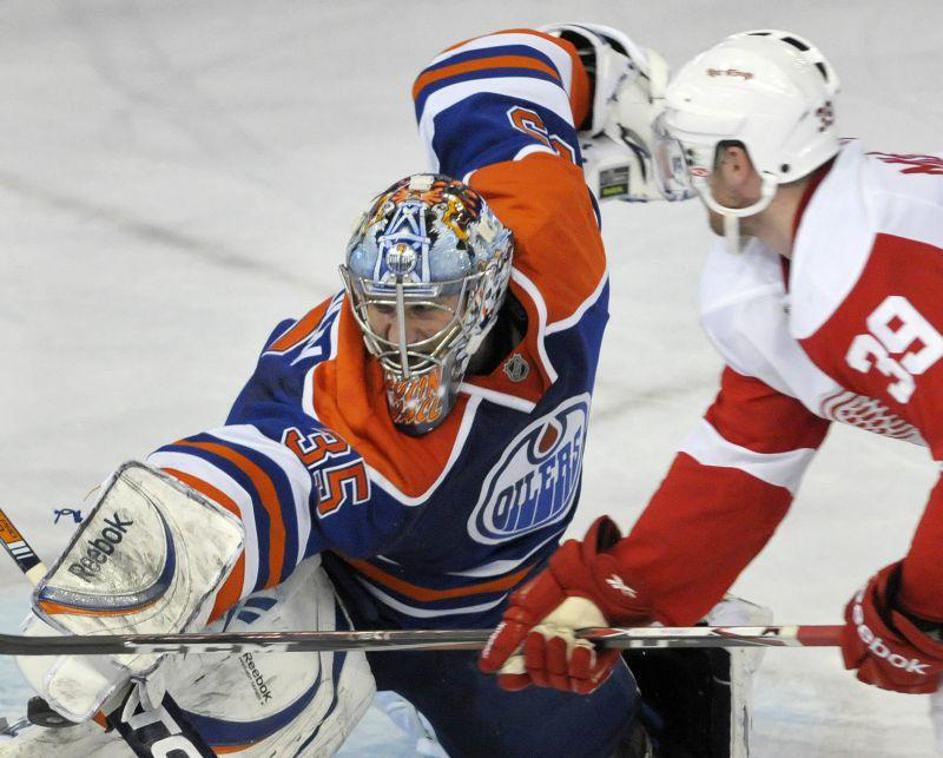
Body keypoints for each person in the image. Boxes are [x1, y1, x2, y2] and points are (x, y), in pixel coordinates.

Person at [5, 24, 683, 758]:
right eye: (377, 307)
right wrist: (98, 630)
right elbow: (224, 486)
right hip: (322, 601)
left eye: (424, 308)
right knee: (220, 735)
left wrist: (594, 70)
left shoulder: (553, 235)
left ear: (486, 290)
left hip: (494, 610)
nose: (398, 338)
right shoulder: (351, 412)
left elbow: (481, 70)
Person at [480, 24, 943, 744]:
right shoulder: (794, 262)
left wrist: (924, 609)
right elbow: (745, 456)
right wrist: (618, 592)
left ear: (738, 165)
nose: (678, 174)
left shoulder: (872, 265)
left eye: (691, 157)